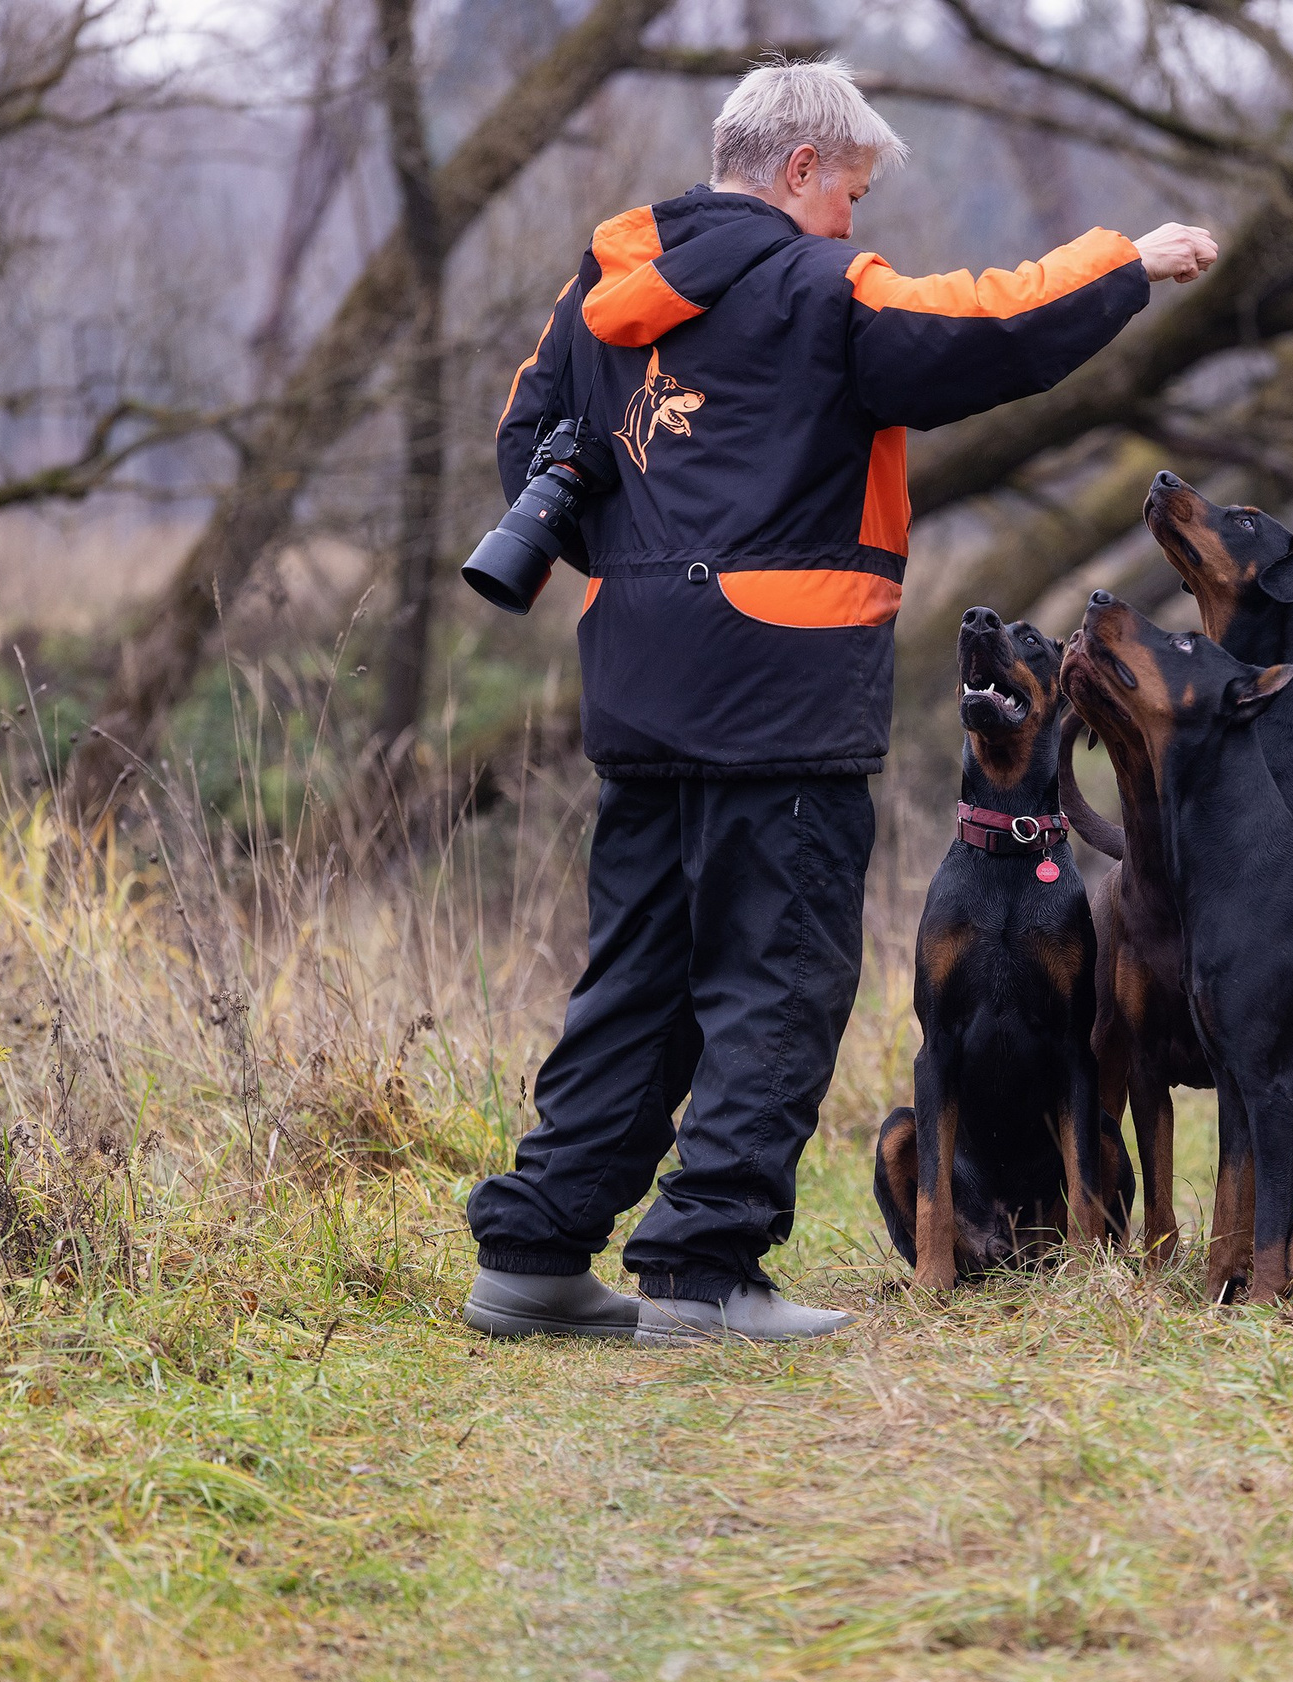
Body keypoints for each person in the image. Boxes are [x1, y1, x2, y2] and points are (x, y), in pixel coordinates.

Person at [463, 58, 1218, 1343]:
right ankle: (706, 1272)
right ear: (800, 169)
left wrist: (659, 589)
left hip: (640, 683)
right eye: (852, 191)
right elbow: (979, 325)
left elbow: (520, 450)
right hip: (786, 695)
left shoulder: (600, 288)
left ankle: (535, 1252)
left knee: (635, 976)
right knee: (778, 977)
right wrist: (1125, 262)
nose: (854, 221)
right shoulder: (823, 288)